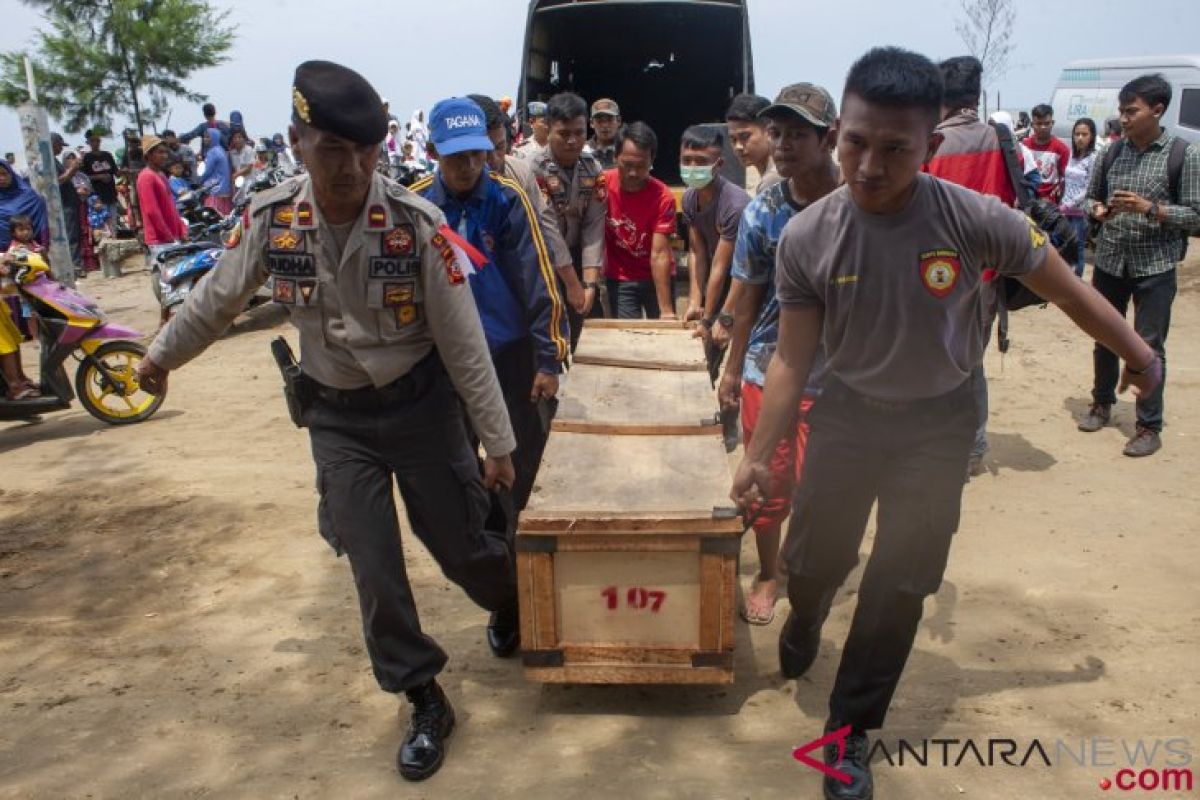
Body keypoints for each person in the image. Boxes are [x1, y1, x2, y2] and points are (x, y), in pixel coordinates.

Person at [729, 47, 1161, 800]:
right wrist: (759, 457)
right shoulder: (808, 236)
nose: (869, 165)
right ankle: (806, 614)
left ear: (930, 147)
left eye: (895, 149)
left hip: (938, 423)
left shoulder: (976, 220)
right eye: (857, 142)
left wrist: (1138, 351)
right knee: (818, 558)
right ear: (840, 135)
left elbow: (1065, 290)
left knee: (902, 580)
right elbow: (794, 360)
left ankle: (848, 731)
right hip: (847, 417)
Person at [136, 61, 522, 782]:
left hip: (422, 410)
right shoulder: (271, 220)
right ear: (297, 141)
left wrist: (496, 442)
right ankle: (422, 694)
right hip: (338, 420)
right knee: (374, 567)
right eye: (332, 150)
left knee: (462, 545)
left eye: (365, 151)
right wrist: (160, 358)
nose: (351, 167)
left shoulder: (417, 227)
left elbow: (464, 343)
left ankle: (509, 601)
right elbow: (216, 299)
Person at [715, 82, 839, 626]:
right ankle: (768, 571)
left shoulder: (857, 203)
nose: (783, 144)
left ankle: (807, 568)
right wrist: (732, 368)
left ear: (829, 138)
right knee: (765, 480)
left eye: (797, 134)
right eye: (777, 132)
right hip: (769, 366)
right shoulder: (764, 209)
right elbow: (746, 300)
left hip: (838, 376)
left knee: (825, 487)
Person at [410, 96, 569, 513]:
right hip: (441, 360)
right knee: (455, 465)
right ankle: (486, 549)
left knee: (523, 460)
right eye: (456, 156)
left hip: (508, 356)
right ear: (432, 153)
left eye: (477, 154)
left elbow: (539, 280)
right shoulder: (413, 207)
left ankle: (522, 552)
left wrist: (548, 360)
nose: (469, 166)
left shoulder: (508, 200)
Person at [1081, 73, 1200, 457]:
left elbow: (1197, 217)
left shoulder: (1184, 154)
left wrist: (1153, 209)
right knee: (1104, 337)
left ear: (1158, 110)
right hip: (1111, 261)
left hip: (1156, 267)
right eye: (1121, 111)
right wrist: (1097, 210)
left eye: (1131, 111)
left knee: (1149, 347)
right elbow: (1089, 200)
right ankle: (1101, 404)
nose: (1123, 118)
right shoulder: (1111, 152)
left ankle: (1148, 425)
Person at [924, 55, 1016, 478]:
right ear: (975, 96)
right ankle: (973, 450)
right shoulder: (1001, 140)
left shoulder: (929, 143)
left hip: (932, 279)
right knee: (971, 366)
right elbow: (1013, 206)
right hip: (985, 276)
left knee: (933, 365)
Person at [468, 93, 580, 333]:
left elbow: (546, 230)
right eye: (484, 152)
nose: (494, 160)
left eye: (500, 147)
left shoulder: (520, 172)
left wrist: (569, 284)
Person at [529, 92, 607, 348]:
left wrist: (589, 283)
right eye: (564, 134)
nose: (573, 141)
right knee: (550, 335)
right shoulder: (533, 169)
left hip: (578, 257)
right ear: (548, 130)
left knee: (588, 331)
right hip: (543, 263)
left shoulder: (592, 168)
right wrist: (573, 285)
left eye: (580, 132)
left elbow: (594, 226)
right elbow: (547, 228)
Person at [604, 122, 676, 319]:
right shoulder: (601, 186)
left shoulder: (663, 197)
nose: (633, 173)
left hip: (657, 278)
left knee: (662, 339)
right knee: (627, 341)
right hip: (621, 279)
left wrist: (667, 311)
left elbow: (660, 254)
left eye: (641, 166)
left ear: (652, 161)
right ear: (614, 157)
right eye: (627, 165)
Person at [680, 125, 749, 328]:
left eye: (701, 161)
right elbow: (697, 251)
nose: (692, 166)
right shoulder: (689, 199)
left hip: (742, 283)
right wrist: (694, 301)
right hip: (716, 279)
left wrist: (708, 317)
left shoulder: (734, 205)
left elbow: (720, 265)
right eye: (686, 160)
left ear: (718, 165)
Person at [138, 134, 189, 322]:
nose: (164, 156)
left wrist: (181, 230)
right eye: (159, 152)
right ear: (149, 155)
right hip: (160, 239)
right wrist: (169, 236)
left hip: (170, 236)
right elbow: (152, 212)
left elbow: (170, 206)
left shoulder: (160, 175)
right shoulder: (146, 178)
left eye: (164, 152)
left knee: (175, 278)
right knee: (169, 280)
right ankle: (165, 321)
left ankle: (169, 319)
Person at [1061, 117, 1097, 278]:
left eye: (1084, 134)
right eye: (1077, 134)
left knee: (1078, 247)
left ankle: (1077, 281)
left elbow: (1088, 187)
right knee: (1065, 245)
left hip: (1079, 212)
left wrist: (1070, 204)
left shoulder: (1093, 158)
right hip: (1064, 208)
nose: (1080, 138)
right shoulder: (1072, 156)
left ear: (1092, 136)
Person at [726, 93, 778, 194]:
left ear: (769, 132)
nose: (738, 147)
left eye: (745, 137)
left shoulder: (773, 181)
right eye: (733, 139)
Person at [1023, 104, 1071, 203]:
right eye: (1039, 124)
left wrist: (1060, 188)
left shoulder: (1062, 149)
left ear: (1052, 123)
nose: (1043, 127)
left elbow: (1065, 177)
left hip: (1049, 204)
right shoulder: (1024, 146)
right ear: (1032, 125)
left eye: (1047, 123)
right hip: (1027, 200)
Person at [52, 133, 81, 273]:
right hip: (65, 204)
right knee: (71, 235)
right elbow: (58, 181)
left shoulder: (55, 161)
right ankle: (75, 266)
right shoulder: (50, 162)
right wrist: (72, 169)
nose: (60, 149)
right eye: (59, 145)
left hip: (70, 202)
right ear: (53, 144)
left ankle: (76, 264)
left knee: (74, 233)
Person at [81, 129, 121, 223]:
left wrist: (124, 171)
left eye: (97, 140)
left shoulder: (107, 155)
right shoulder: (87, 158)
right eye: (93, 141)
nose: (95, 143)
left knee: (112, 222)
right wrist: (99, 177)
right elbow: (84, 177)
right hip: (97, 196)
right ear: (89, 142)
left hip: (111, 194)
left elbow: (116, 173)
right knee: (100, 224)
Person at [200, 129, 233, 216]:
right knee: (225, 216)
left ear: (214, 138)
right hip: (225, 189)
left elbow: (206, 171)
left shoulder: (212, 152)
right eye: (204, 137)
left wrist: (199, 181)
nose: (205, 139)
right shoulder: (221, 150)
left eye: (207, 137)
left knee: (212, 217)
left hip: (214, 190)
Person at [587, 98, 621, 169]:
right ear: (591, 123)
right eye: (599, 121)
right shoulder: (582, 150)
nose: (605, 125)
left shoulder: (628, 149)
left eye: (609, 120)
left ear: (618, 121)